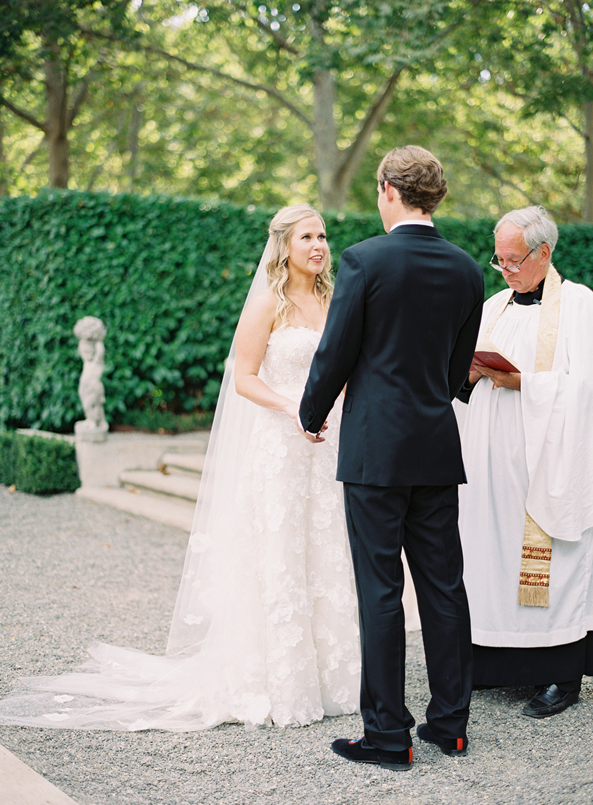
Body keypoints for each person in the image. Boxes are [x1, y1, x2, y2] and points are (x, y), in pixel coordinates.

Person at [0, 204, 362, 731]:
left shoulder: (334, 301)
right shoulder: (268, 303)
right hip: (281, 446)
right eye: (306, 237)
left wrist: (336, 407)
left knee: (325, 550)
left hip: (325, 445)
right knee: (281, 552)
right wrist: (294, 409)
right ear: (284, 246)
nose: (318, 246)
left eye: (323, 236)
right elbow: (245, 379)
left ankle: (333, 677)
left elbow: (345, 369)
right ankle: (280, 681)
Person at [298, 145, 484, 771]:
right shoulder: (466, 269)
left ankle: (386, 735)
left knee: (380, 590)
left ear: (388, 190)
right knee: (444, 586)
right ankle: (450, 726)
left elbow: (336, 351)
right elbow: (456, 372)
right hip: (435, 448)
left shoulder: (364, 260)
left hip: (376, 451)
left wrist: (310, 412)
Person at [455, 205, 593, 717]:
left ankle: (559, 674)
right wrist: (469, 373)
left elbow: (585, 388)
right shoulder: (493, 307)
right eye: (499, 260)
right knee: (488, 556)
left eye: (513, 260)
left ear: (544, 252)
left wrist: (525, 384)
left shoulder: (579, 306)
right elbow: (460, 382)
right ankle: (494, 665)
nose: (505, 270)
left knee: (546, 561)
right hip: (487, 463)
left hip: (544, 462)